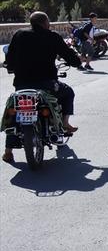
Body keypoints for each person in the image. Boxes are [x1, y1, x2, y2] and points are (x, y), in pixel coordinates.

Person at [3, 12, 81, 163]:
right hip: (47, 85)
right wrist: (77, 61)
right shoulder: (52, 36)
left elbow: (10, 59)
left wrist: (11, 66)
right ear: (45, 23)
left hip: (22, 84)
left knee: (15, 111)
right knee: (68, 92)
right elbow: (68, 54)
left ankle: (8, 151)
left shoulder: (19, 35)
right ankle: (64, 124)